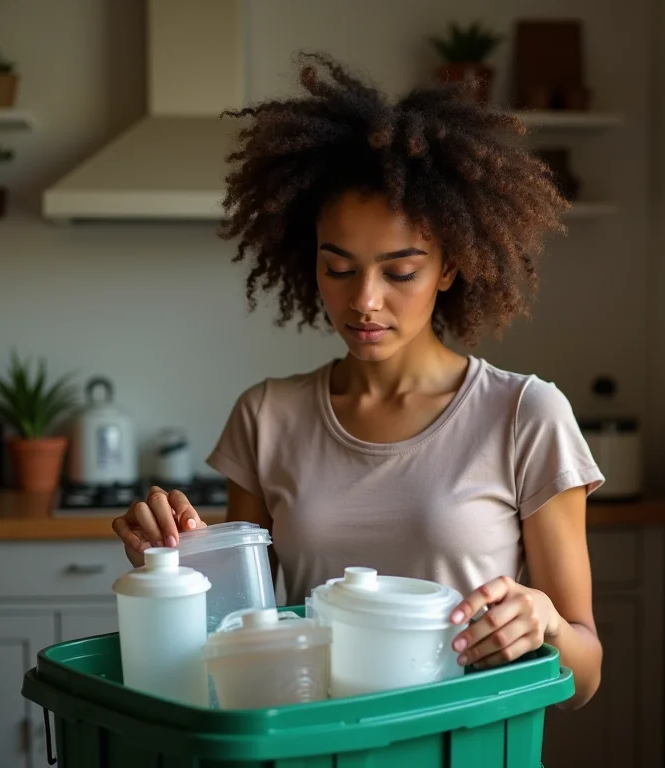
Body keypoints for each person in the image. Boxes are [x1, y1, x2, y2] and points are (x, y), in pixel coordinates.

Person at [112, 53, 604, 709]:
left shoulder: (525, 414)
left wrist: (544, 621)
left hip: (463, 742)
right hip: (311, 744)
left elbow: (584, 677)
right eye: (338, 268)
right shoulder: (266, 417)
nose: (364, 301)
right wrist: (172, 562)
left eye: (400, 272)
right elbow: (228, 637)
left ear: (450, 267)